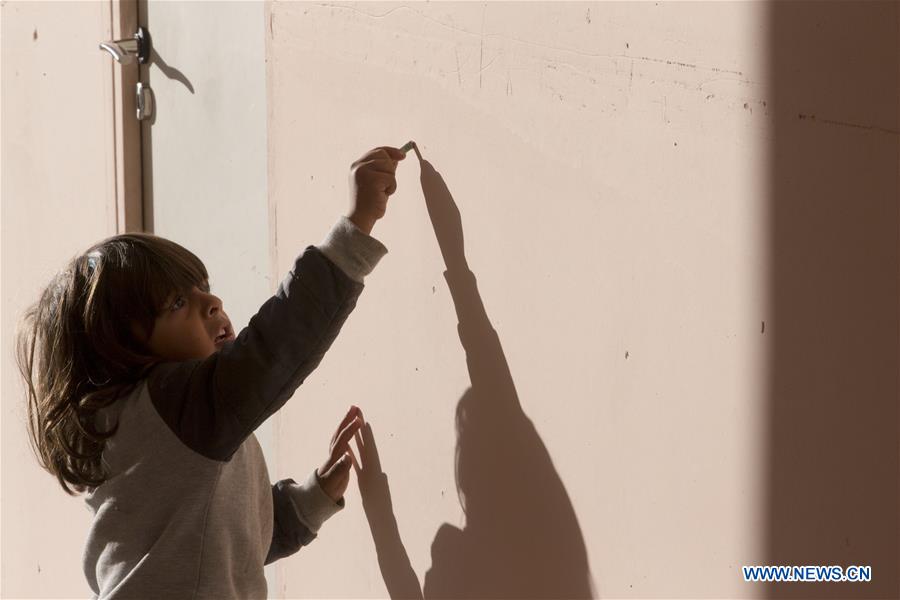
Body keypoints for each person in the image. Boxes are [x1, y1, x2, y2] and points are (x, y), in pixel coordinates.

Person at [14, 145, 409, 599]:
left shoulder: (182, 434)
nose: (212, 304)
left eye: (204, 289)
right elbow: (276, 347)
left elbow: (233, 541)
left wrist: (313, 497)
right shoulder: (171, 408)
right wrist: (355, 228)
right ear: (121, 348)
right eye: (179, 303)